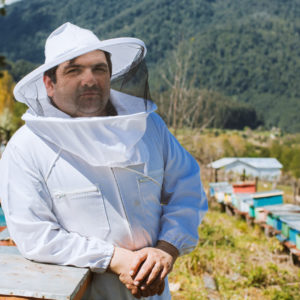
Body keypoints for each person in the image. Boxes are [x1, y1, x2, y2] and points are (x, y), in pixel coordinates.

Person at [0, 22, 208, 299]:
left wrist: (166, 249)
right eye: (74, 70)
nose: (90, 80)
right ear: (49, 84)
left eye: (99, 68)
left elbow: (187, 189)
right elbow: (35, 234)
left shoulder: (149, 127)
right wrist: (114, 259)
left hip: (155, 293)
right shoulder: (27, 147)